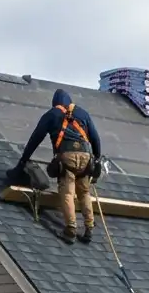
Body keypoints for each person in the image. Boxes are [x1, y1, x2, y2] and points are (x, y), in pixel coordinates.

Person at [16, 89, 104, 242]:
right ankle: (89, 228)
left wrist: (24, 159)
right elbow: (95, 138)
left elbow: (35, 138)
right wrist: (96, 159)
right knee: (84, 192)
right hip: (85, 158)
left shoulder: (52, 114)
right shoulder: (82, 113)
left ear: (55, 103)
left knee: (68, 193)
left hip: (67, 157)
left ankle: (70, 230)